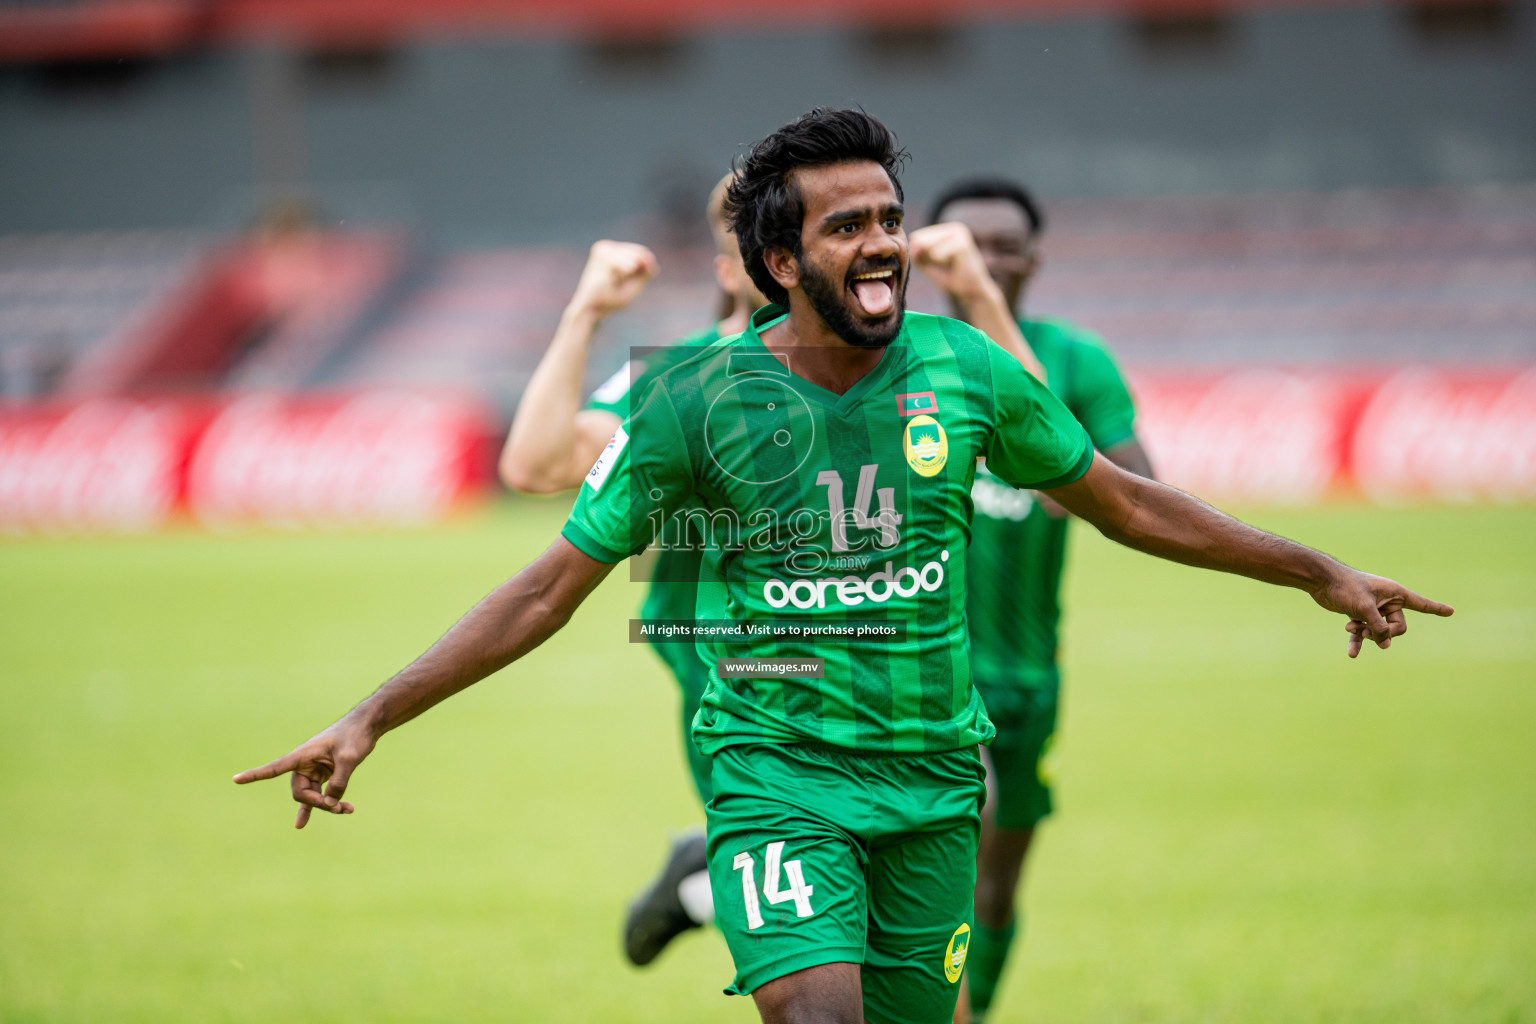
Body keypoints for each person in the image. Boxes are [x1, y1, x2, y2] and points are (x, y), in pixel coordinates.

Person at [233, 108, 1452, 1024]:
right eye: (847, 226)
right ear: (778, 263)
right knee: (821, 1015)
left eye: (887, 218)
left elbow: (1127, 504)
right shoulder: (694, 401)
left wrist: (1316, 570)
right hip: (775, 773)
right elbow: (546, 587)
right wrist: (374, 712)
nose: (883, 244)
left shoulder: (968, 373)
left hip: (935, 783)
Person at [497, 174, 771, 965]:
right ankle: (707, 881)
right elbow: (536, 462)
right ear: (733, 270)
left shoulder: (866, 365)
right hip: (728, 676)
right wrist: (586, 312)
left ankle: (702, 883)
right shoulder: (672, 376)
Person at [925, 178, 1155, 1023]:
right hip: (934, 676)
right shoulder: (905, 358)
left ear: (1034, 259)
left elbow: (1134, 494)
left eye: (1004, 245)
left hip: (1030, 673)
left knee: (995, 889)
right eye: (967, 244)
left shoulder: (1075, 361)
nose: (987, 259)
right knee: (955, 855)